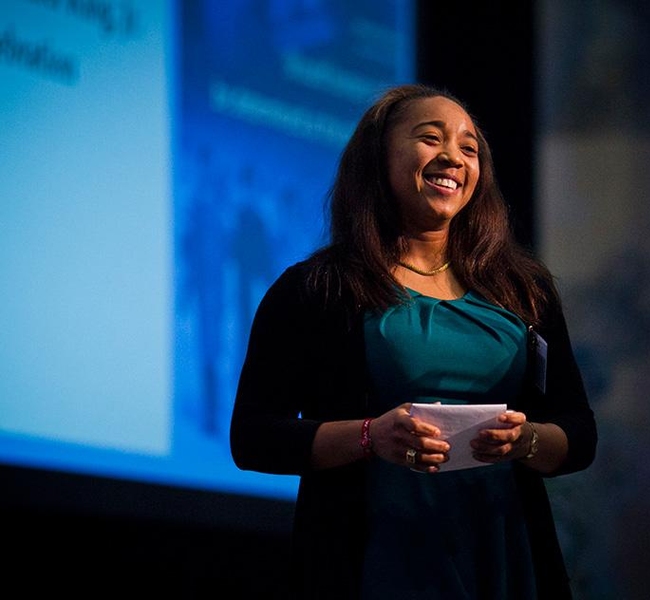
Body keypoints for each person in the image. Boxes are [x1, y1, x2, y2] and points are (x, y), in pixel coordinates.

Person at [230, 83, 598, 599]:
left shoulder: (525, 290)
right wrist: (369, 436)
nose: (453, 156)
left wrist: (527, 439)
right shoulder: (316, 289)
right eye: (431, 138)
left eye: (469, 148)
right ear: (380, 157)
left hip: (503, 554)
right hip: (377, 561)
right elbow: (252, 436)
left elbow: (578, 432)